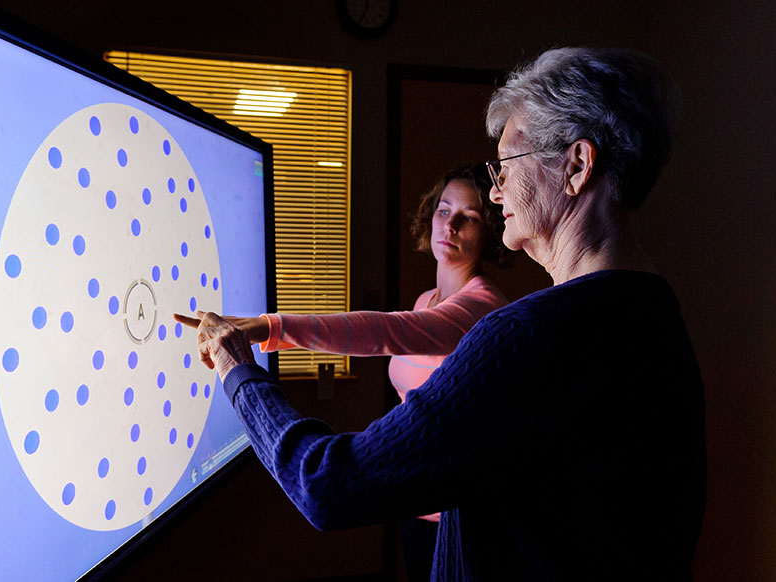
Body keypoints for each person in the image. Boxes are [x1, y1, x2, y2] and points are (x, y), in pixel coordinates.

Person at [178, 47, 707, 581]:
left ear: (576, 166)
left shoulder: (522, 336)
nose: (497, 191)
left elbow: (326, 484)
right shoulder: (653, 311)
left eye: (506, 167)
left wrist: (238, 370)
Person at [186, 163, 511, 581]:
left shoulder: (481, 305)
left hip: (457, 512)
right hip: (413, 499)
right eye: (444, 211)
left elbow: (389, 331)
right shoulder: (426, 299)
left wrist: (271, 326)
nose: (451, 225)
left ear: (488, 232)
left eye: (469, 218)